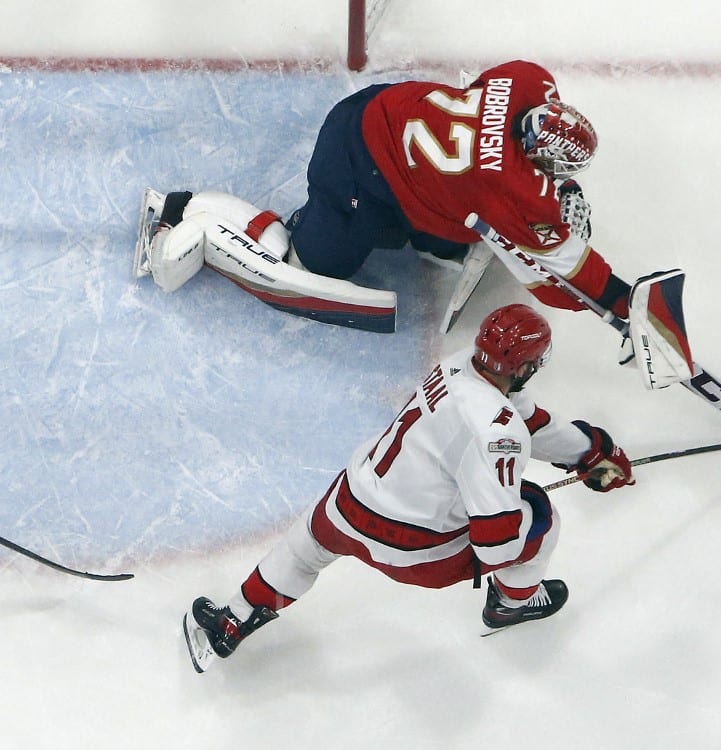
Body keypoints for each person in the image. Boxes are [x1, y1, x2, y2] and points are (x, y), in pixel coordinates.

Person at [183, 303, 634, 671]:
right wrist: (522, 506)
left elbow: (526, 417)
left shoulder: (455, 364)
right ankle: (512, 604)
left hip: (348, 505)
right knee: (539, 515)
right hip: (417, 553)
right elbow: (495, 545)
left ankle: (233, 622)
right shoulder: (500, 435)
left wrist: (590, 451)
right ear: (527, 366)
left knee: (303, 552)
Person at [136, 59, 633, 331]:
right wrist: (621, 302)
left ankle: (420, 230)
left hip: (378, 106)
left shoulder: (527, 79)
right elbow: (558, 279)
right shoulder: (508, 185)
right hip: (355, 165)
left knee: (450, 227)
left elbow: (482, 89)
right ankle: (192, 211)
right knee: (311, 264)